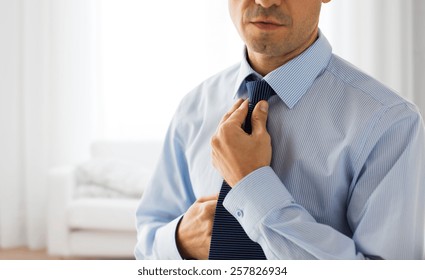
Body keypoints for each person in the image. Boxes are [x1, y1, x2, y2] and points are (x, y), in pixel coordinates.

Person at [134, 0, 425, 260]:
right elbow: (148, 242)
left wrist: (251, 183)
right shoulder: (195, 106)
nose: (265, 1)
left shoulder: (389, 123)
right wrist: (179, 242)